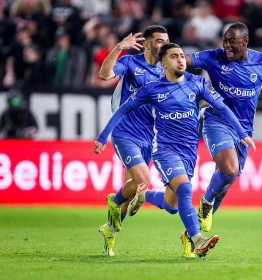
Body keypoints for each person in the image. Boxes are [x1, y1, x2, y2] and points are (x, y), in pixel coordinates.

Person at [94, 42, 256, 258]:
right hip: (164, 150)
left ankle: (144, 195)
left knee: (172, 205)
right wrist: (104, 136)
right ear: (163, 64)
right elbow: (123, 110)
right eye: (173, 56)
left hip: (189, 153)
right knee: (186, 189)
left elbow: (222, 108)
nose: (180, 59)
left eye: (181, 56)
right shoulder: (152, 89)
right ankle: (198, 239)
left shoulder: (198, 84)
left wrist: (242, 133)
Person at [183, 22, 262, 238]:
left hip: (244, 130)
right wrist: (164, 52)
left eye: (232, 41)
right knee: (229, 169)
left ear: (245, 42)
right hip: (217, 121)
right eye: (225, 40)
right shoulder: (214, 57)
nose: (227, 45)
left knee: (226, 184)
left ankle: (192, 237)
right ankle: (206, 201)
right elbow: (183, 59)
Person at [96, 25, 169, 257]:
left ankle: (109, 230)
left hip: (149, 135)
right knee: (144, 182)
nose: (164, 45)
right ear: (146, 44)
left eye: (166, 41)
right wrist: (118, 48)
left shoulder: (166, 70)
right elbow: (104, 75)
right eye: (159, 41)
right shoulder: (130, 63)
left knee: (132, 194)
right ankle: (113, 201)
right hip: (124, 131)